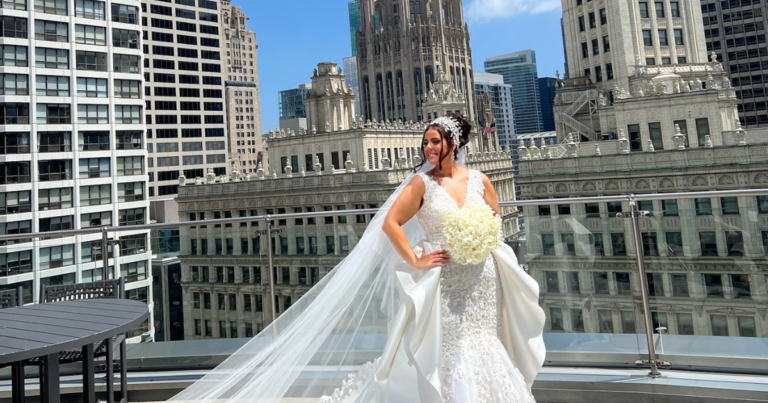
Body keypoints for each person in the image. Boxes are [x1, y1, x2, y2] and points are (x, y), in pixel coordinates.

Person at [169, 114, 545, 403]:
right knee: (451, 350)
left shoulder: (480, 179)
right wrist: (416, 261)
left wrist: (481, 241)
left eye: (435, 141)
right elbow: (391, 224)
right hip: (445, 280)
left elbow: (494, 221)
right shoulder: (421, 184)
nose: (428, 148)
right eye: (425, 142)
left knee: (485, 342)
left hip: (481, 279)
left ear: (454, 143)